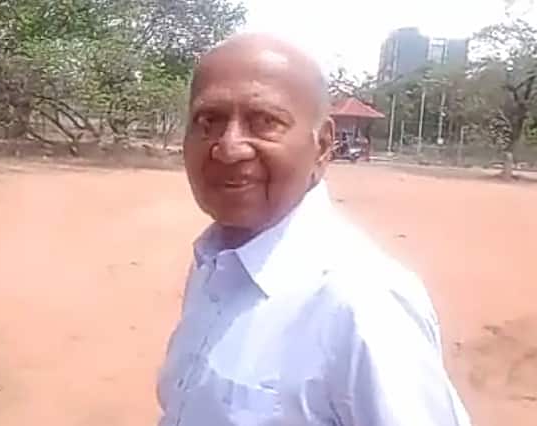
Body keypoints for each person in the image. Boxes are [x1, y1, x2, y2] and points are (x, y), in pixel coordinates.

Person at [157, 33, 471, 426]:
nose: (229, 147)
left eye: (265, 122)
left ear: (322, 146)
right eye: (208, 121)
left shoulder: (363, 303)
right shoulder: (214, 264)